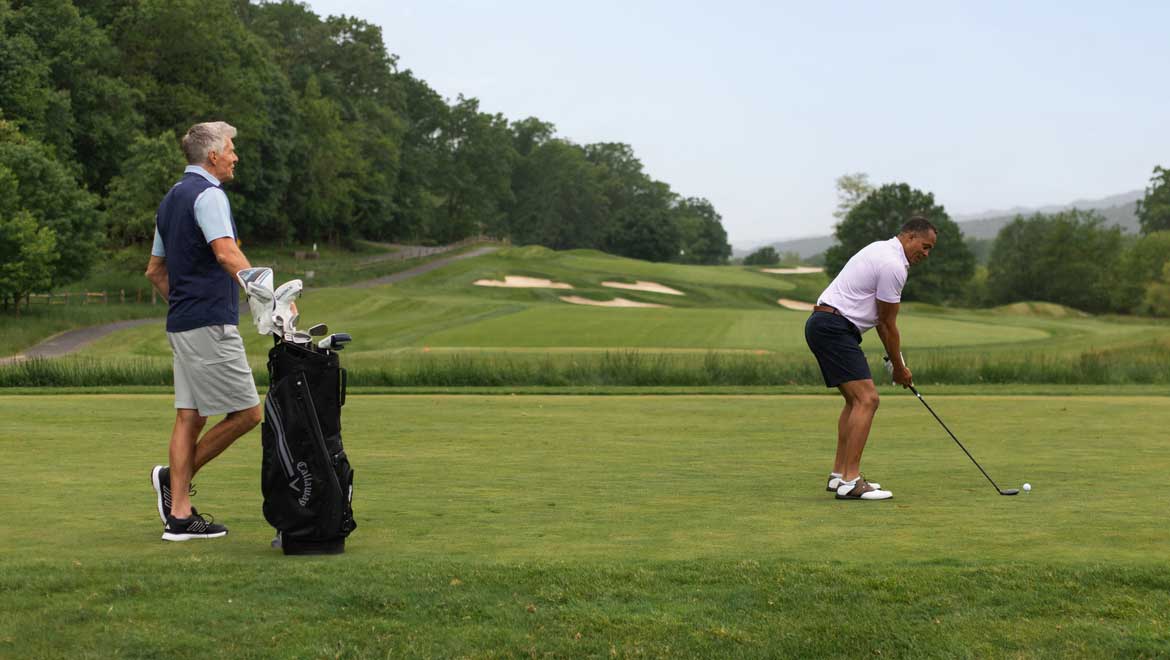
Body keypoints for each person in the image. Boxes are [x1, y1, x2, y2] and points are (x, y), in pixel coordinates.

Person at [145, 121, 262, 540]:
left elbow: (155, 271)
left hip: (183, 324)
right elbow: (227, 253)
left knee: (191, 416)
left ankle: (179, 516)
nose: (235, 156)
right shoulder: (209, 195)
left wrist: (184, 305)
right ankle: (174, 482)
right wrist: (268, 296)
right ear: (212, 156)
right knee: (248, 413)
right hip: (208, 324)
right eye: (230, 149)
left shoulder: (171, 198)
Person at [804, 216, 937, 500]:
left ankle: (839, 476)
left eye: (930, 250)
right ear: (910, 237)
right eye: (925, 246)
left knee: (855, 401)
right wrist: (899, 369)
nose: (926, 254)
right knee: (868, 400)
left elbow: (880, 322)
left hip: (825, 324)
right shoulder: (893, 265)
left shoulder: (881, 249)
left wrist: (895, 360)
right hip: (835, 327)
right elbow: (887, 324)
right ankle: (851, 481)